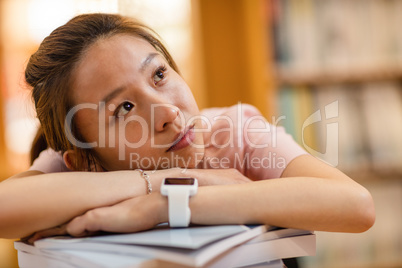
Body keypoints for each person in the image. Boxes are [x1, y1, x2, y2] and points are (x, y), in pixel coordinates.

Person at [0, 13, 375, 243]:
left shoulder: (233, 131)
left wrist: (166, 204)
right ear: (85, 161)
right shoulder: (74, 165)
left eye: (159, 74)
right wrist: (159, 182)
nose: (167, 112)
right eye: (125, 108)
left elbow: (356, 206)